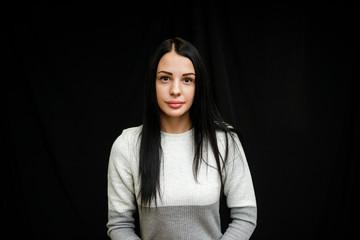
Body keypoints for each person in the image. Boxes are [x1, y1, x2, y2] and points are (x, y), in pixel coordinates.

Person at [107, 37, 257, 240]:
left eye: (187, 80)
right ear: (153, 83)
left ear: (198, 86)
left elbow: (245, 217)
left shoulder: (224, 141)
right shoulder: (127, 145)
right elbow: (119, 225)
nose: (175, 90)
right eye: (165, 78)